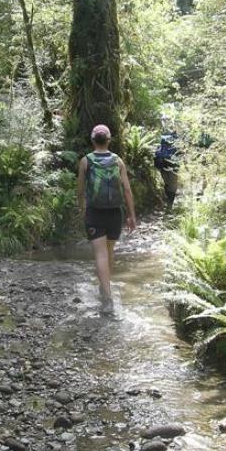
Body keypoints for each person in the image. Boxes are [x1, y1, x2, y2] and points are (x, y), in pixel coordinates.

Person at [77, 124, 137, 313]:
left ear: (93, 140)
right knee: (109, 252)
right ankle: (105, 288)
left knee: (100, 254)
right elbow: (127, 189)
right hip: (114, 212)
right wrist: (131, 215)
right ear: (109, 140)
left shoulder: (86, 161)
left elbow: (80, 190)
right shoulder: (118, 161)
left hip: (95, 212)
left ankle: (107, 295)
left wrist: (82, 208)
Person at [154, 114, 180, 208]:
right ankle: (169, 203)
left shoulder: (175, 135)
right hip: (163, 162)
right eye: (164, 120)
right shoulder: (160, 134)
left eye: (167, 120)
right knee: (168, 183)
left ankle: (169, 204)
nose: (166, 122)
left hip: (172, 163)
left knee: (172, 184)